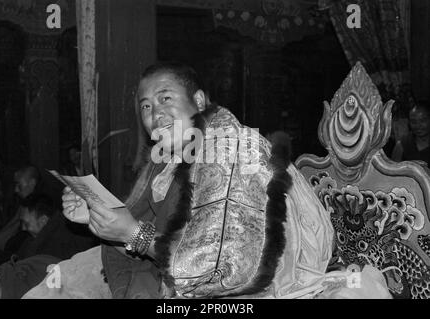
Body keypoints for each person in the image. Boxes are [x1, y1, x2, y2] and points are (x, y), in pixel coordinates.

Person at [23, 62, 390, 299]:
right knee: (60, 280)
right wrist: (96, 218)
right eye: (145, 106)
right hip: (165, 271)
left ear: (199, 101)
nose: (155, 113)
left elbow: (218, 266)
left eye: (166, 98)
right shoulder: (164, 159)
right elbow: (144, 232)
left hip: (244, 289)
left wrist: (131, 233)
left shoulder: (231, 148)